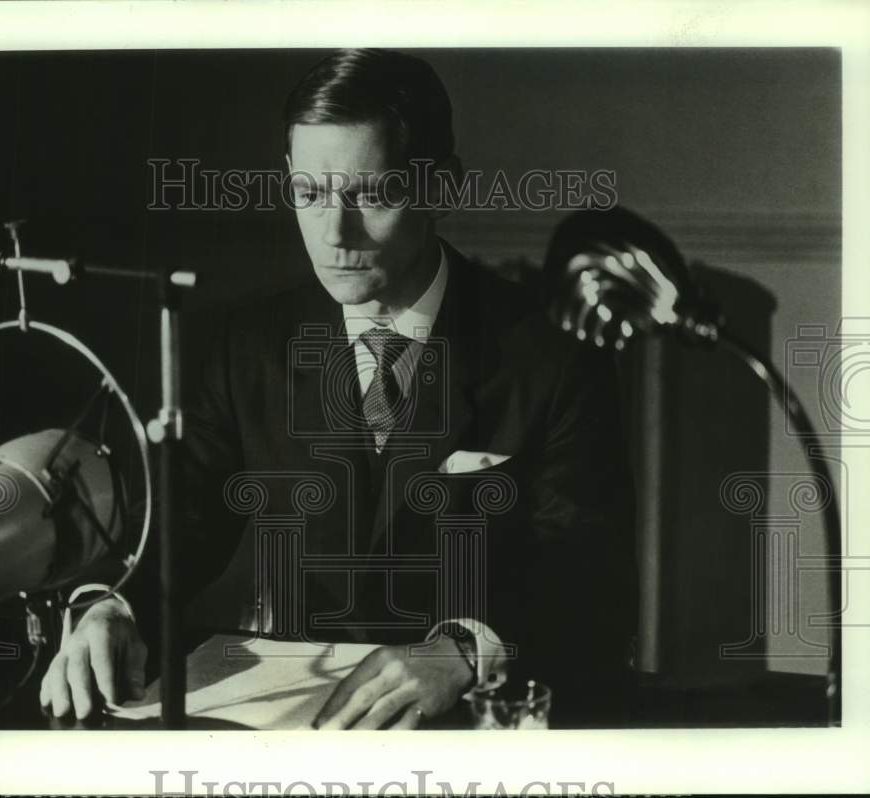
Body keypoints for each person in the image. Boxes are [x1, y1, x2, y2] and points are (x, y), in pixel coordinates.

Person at [39, 48, 638, 729]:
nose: (334, 234)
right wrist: (111, 605)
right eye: (310, 194)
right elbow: (184, 523)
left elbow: (591, 578)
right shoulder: (250, 344)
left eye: (372, 194)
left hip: (472, 730)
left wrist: (467, 649)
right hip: (297, 732)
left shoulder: (553, 358)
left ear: (440, 189)